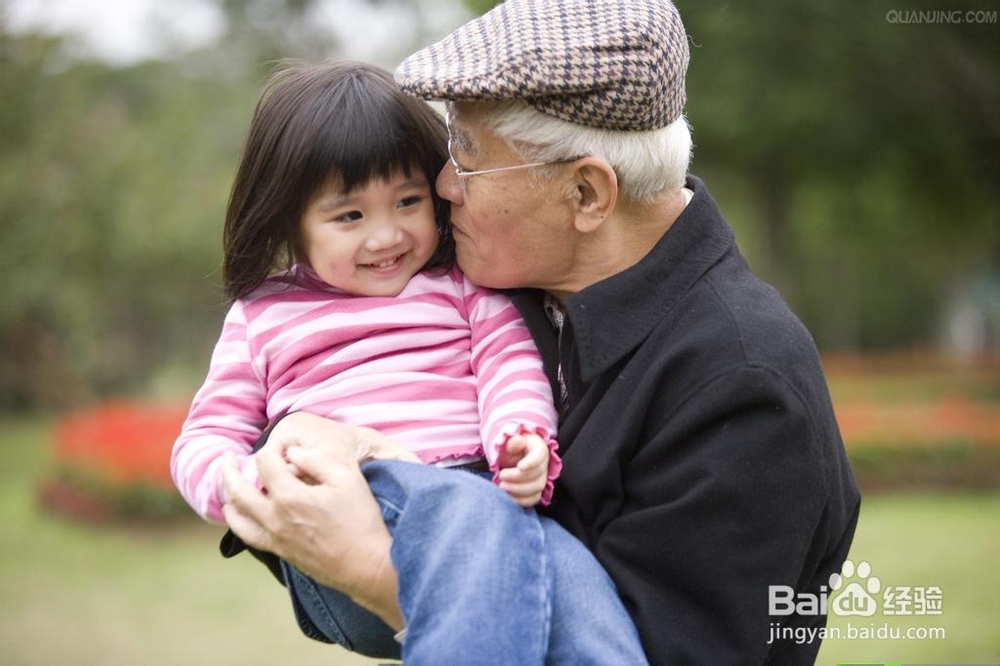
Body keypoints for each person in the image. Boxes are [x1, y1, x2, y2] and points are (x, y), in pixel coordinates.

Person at [222, 1, 862, 664]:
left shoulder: (744, 387)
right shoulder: (505, 283)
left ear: (587, 194)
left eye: (466, 160)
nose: (442, 185)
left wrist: (379, 572)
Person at [171, 60, 626, 658]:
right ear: (291, 220)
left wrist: (522, 436)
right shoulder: (264, 314)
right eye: (350, 216)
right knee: (478, 522)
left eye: (408, 201)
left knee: (587, 593)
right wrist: (258, 489)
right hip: (351, 508)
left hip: (485, 502)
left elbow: (506, 362)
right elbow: (207, 434)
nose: (386, 236)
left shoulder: (461, 285)